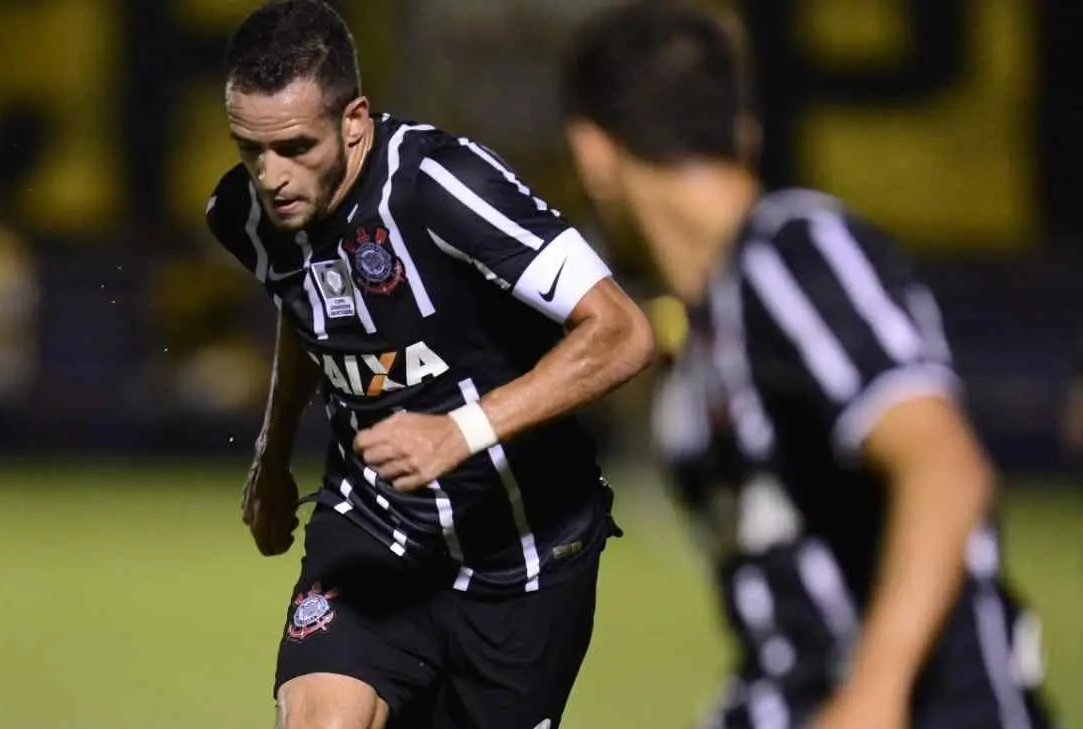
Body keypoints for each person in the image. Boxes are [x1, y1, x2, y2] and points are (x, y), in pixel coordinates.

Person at [559, 4, 1057, 728]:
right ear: (744, 129)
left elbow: (946, 466)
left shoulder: (791, 252)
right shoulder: (712, 329)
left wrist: (872, 695)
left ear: (594, 154)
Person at [202, 2, 656, 727]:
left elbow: (623, 331)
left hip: (525, 552)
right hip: (375, 527)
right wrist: (274, 451)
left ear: (354, 120)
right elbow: (308, 308)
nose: (271, 176)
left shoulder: (441, 184)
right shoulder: (244, 216)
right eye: (250, 150)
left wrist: (461, 431)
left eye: (294, 146)